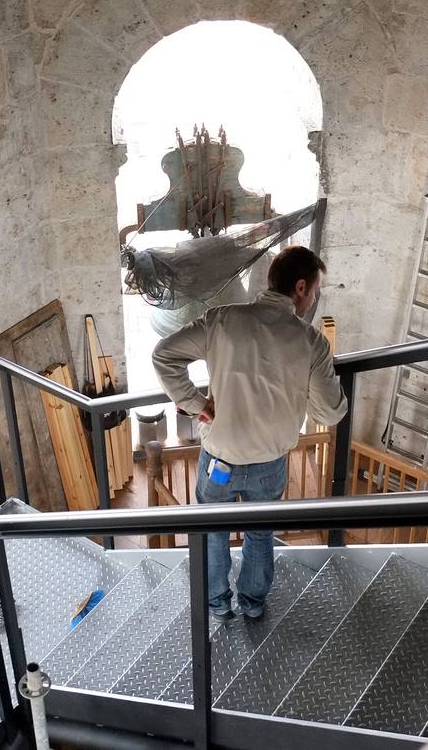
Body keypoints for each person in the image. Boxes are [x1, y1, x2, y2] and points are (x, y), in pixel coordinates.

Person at [152, 246, 348, 620]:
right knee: (259, 533)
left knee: (212, 531)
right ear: (301, 287)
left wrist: (196, 403)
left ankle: (217, 604)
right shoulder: (310, 342)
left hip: (220, 459)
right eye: (316, 292)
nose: (314, 300)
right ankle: (254, 605)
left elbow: (165, 355)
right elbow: (329, 411)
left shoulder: (222, 320)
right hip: (269, 463)